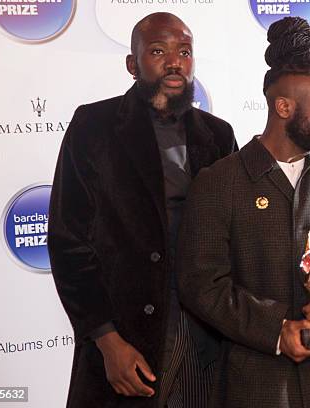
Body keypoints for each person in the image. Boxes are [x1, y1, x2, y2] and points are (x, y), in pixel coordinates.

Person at [176, 17, 310, 408]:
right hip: (257, 386)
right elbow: (201, 283)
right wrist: (276, 330)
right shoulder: (219, 183)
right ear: (284, 106)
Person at [48, 12, 237, 408]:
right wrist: (106, 339)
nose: (174, 62)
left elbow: (234, 238)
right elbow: (68, 242)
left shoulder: (218, 135)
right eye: (158, 51)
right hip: (127, 338)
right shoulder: (93, 126)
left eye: (184, 52)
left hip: (205, 339)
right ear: (133, 65)